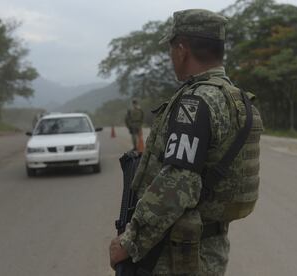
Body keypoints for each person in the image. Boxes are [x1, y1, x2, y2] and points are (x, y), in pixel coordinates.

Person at [110, 9, 263, 275]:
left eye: (171, 50)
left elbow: (178, 183)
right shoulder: (236, 99)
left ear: (182, 49)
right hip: (211, 246)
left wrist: (130, 242)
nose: (171, 57)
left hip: (176, 255)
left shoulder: (195, 102)